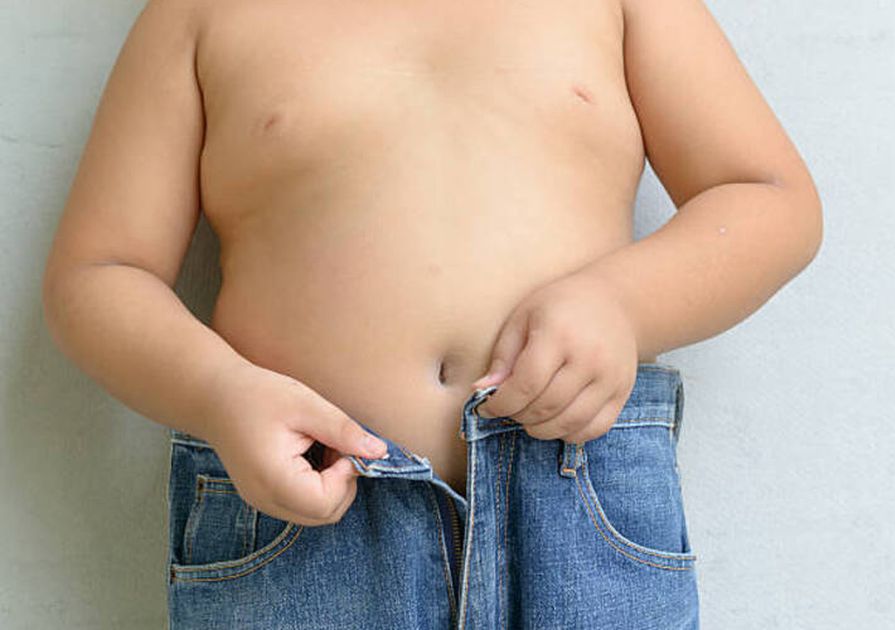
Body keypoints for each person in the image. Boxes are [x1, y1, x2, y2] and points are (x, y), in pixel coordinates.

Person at [41, 0, 822, 627]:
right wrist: (217, 393)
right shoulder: (199, 15)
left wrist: (622, 304)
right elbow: (98, 274)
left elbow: (769, 198)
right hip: (307, 505)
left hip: (575, 494)